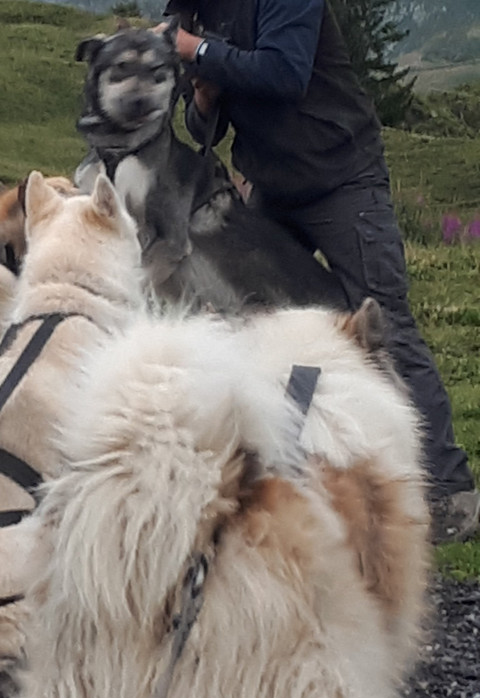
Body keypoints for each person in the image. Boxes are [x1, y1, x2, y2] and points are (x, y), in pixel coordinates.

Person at [164, 0, 479, 543]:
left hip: (341, 179)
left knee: (383, 323)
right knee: (262, 327)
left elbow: (284, 72)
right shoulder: (193, 7)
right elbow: (201, 120)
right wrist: (204, 95)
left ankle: (449, 493)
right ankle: (288, 467)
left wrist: (200, 51)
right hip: (271, 186)